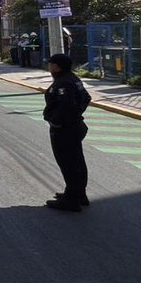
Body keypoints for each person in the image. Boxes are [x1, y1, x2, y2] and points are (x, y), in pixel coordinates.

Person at [43, 53, 92, 212]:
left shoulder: (64, 83)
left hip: (65, 129)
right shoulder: (72, 78)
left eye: (51, 63)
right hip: (74, 126)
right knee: (77, 161)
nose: (49, 66)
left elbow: (67, 105)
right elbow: (86, 97)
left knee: (68, 164)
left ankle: (71, 200)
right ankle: (78, 194)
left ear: (57, 67)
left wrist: (57, 121)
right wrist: (77, 114)